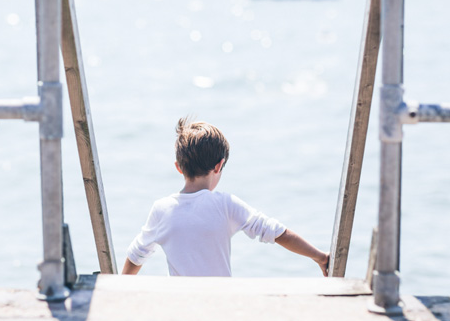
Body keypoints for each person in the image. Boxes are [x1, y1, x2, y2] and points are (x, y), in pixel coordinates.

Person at [121, 117, 330, 277]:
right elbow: (277, 233)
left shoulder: (161, 209)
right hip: (220, 304)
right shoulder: (225, 204)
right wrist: (320, 257)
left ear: (178, 167)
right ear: (219, 165)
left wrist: (118, 291)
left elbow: (136, 255)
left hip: (181, 306)